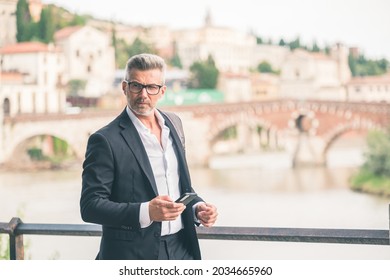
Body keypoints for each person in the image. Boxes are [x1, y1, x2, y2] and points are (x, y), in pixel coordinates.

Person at [80, 53, 218, 260]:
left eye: (151, 87)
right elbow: (90, 206)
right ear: (125, 87)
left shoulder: (175, 124)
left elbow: (179, 185)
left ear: (162, 91)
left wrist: (197, 207)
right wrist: (146, 212)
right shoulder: (104, 140)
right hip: (133, 255)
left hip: (182, 249)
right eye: (136, 85)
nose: (144, 94)